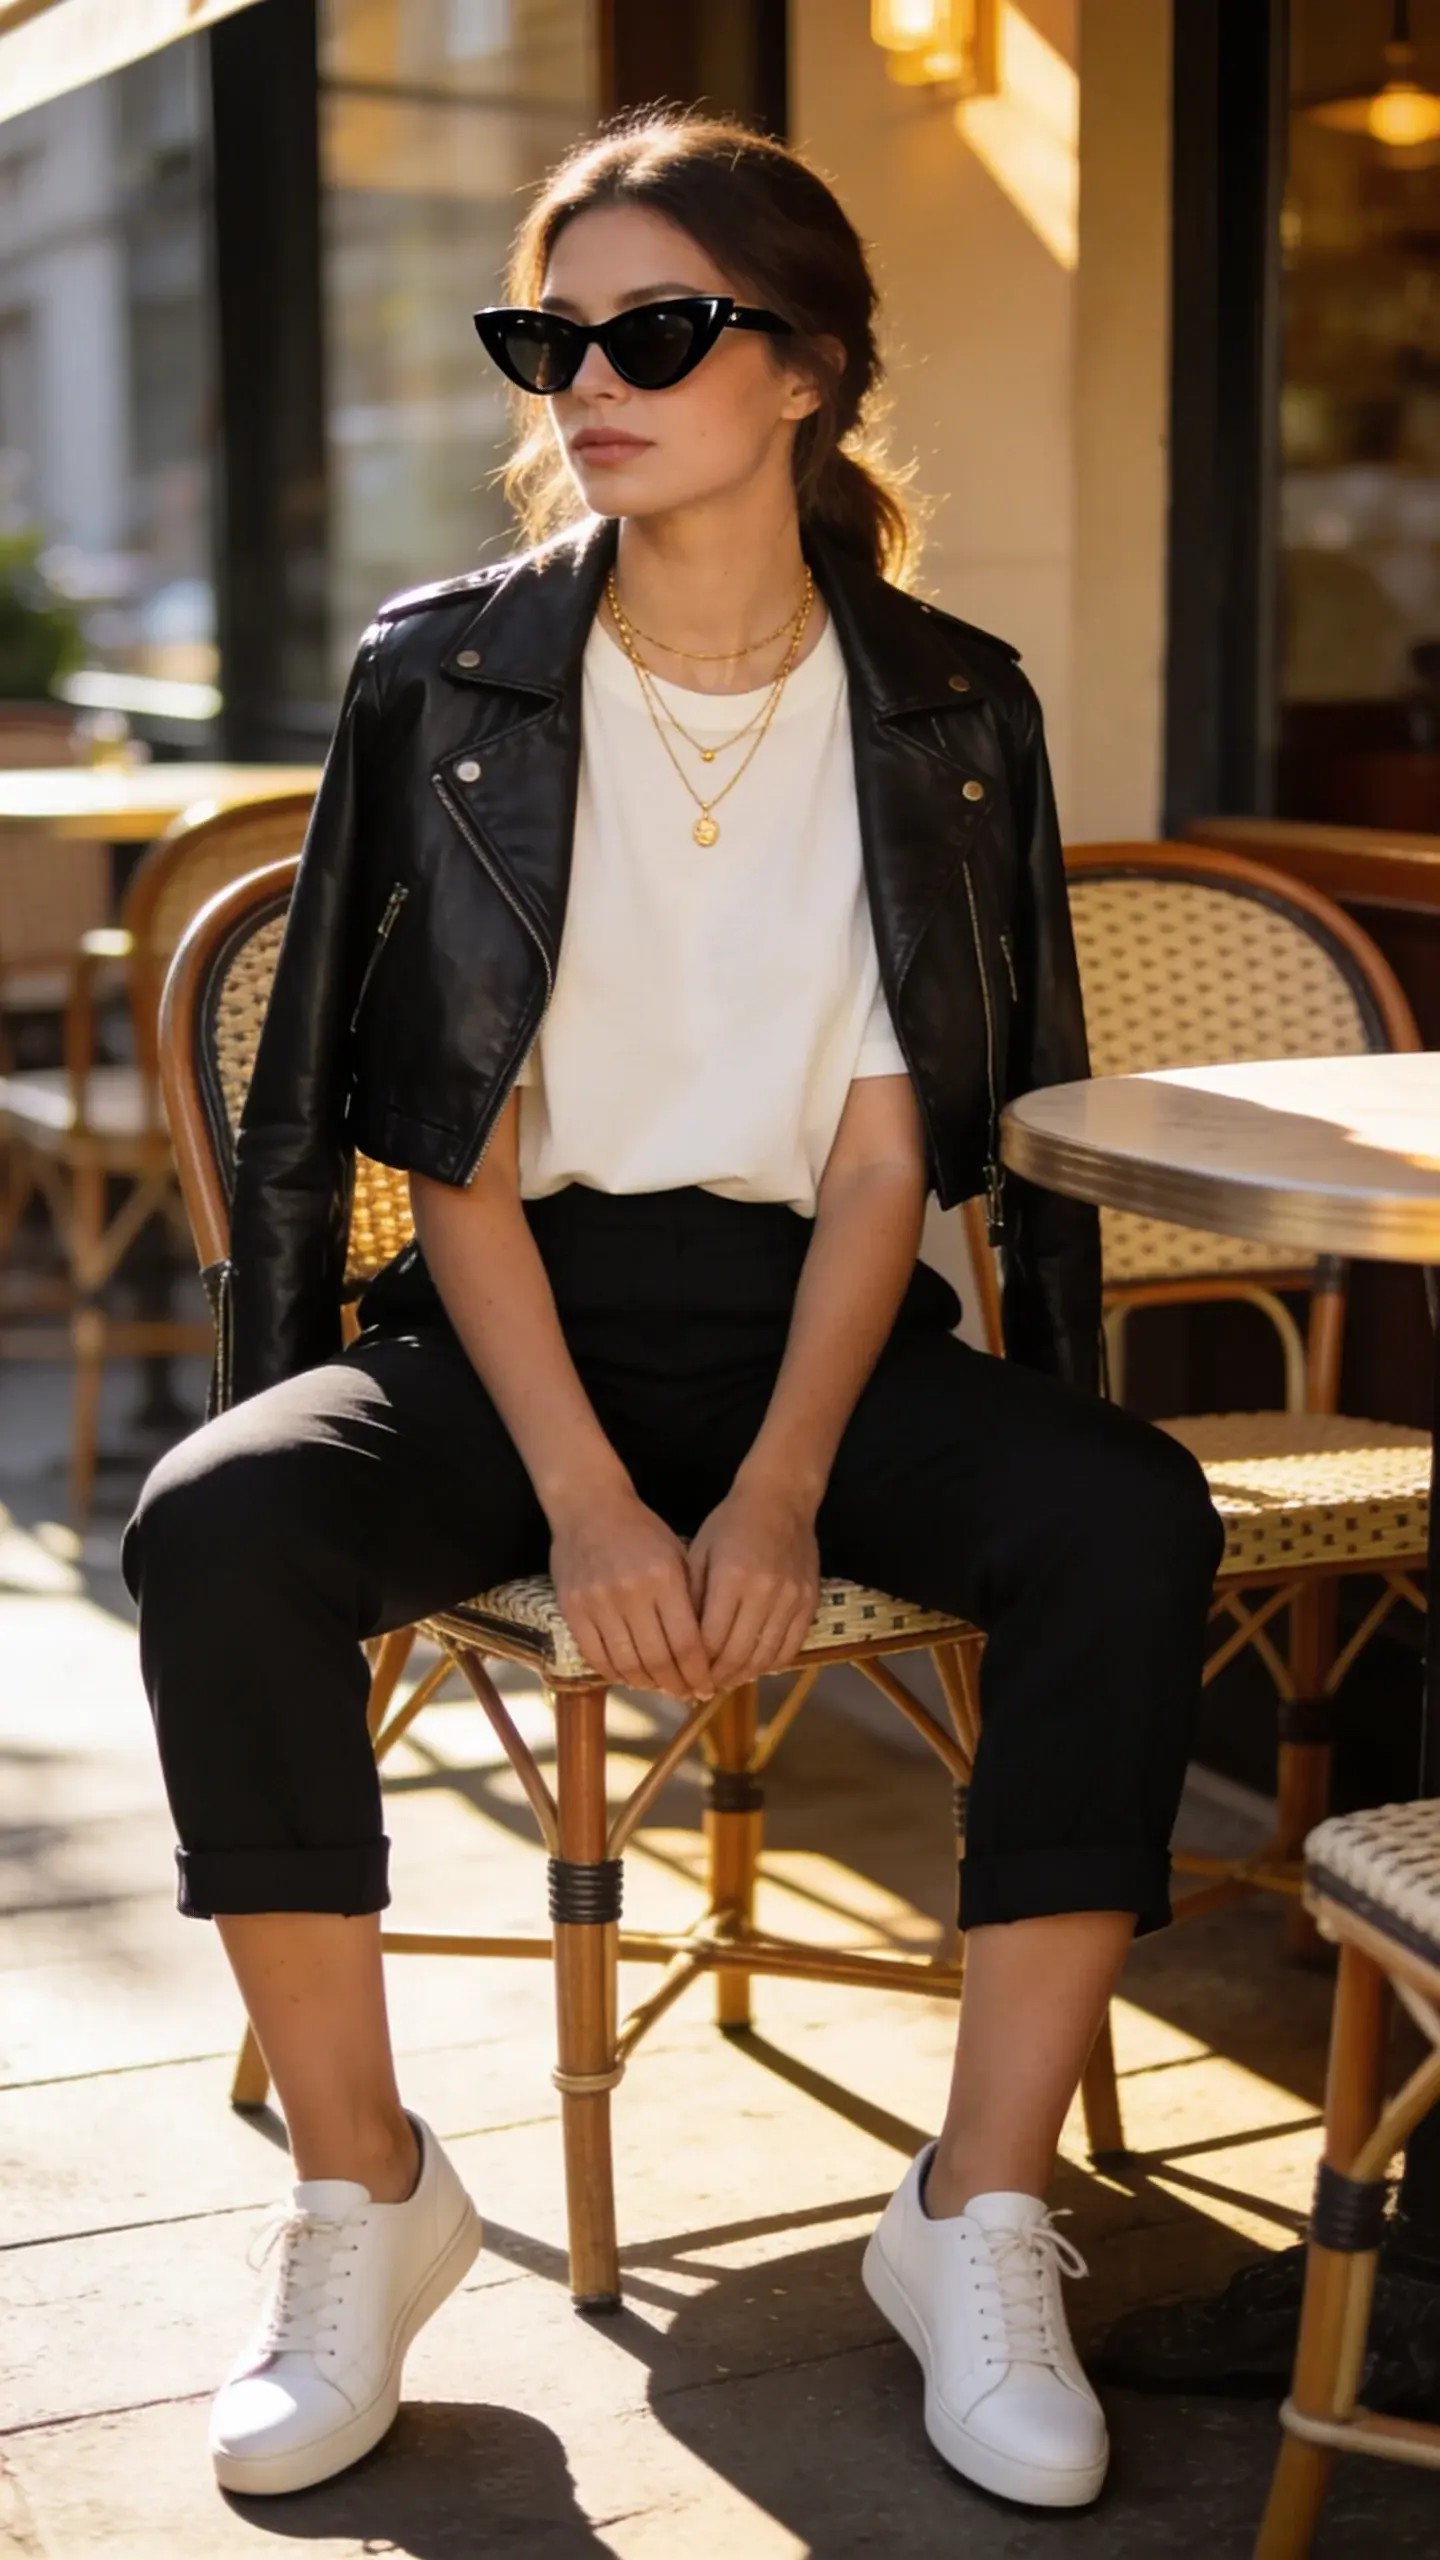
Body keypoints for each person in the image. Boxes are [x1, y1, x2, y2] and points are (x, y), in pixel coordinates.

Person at [123, 110, 1222, 2512]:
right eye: (557, 335)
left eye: (654, 329)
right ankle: (365, 2195)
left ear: (806, 368)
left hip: (810, 1314)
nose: (587, 381)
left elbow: (883, 1149)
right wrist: (608, 1495)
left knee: (1127, 1514)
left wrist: (785, 1474)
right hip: (507, 1315)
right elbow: (451, 1142)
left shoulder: (944, 706)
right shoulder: (451, 679)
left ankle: (980, 2207)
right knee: (217, 1529)